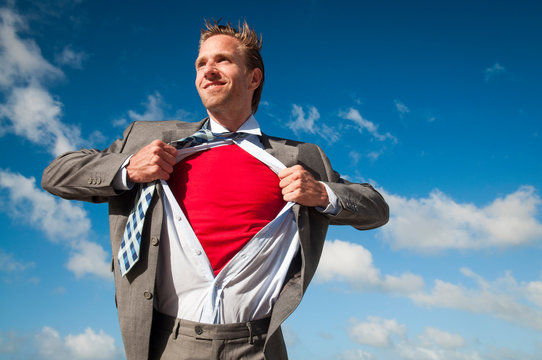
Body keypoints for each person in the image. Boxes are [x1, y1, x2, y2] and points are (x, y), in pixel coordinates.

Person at [42, 20, 389, 360]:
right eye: (201, 63)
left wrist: (323, 194)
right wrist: (128, 168)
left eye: (222, 60)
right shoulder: (150, 138)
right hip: (168, 344)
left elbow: (376, 208)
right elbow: (56, 174)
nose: (208, 70)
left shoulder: (301, 157)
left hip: (258, 346)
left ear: (254, 78)